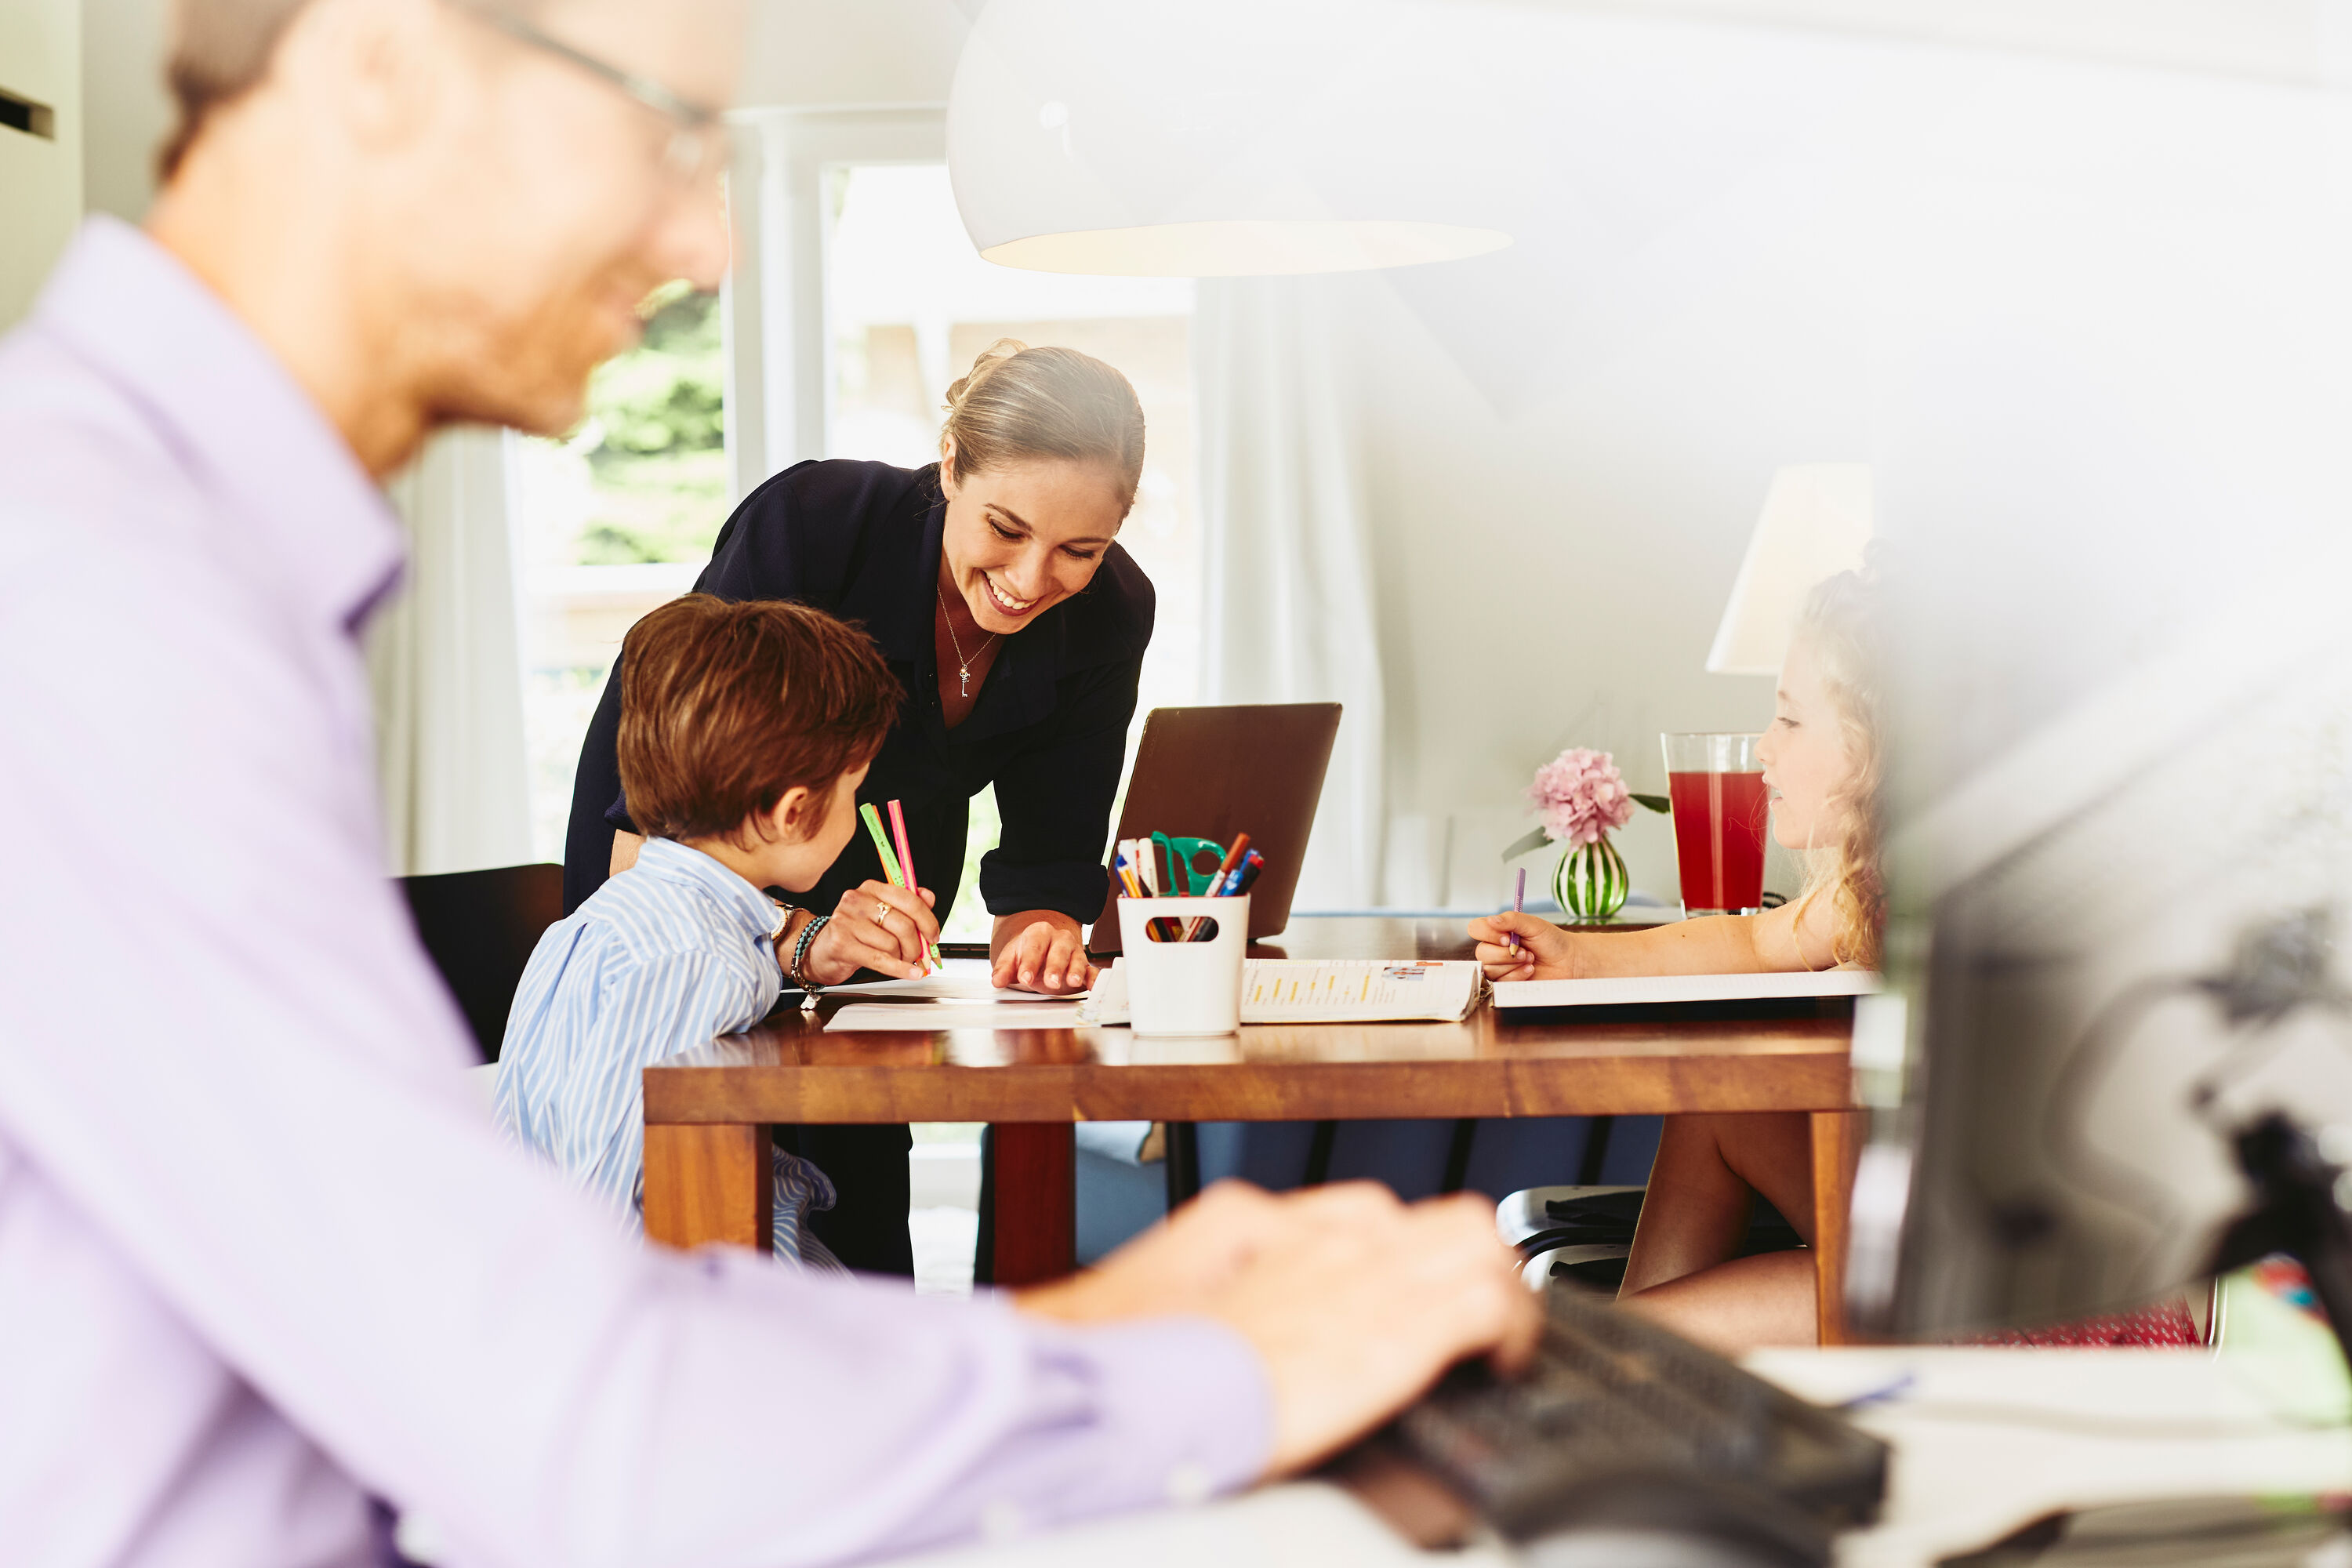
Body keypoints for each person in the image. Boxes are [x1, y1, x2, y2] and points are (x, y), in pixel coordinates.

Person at [0, 1, 1539, 1562]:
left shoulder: (172, 561)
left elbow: (450, 1350)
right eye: (664, 125)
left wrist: (1093, 1322)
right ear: (379, 61)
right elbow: (562, 1399)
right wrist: (1193, 1360)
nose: (710, 240)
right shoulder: (93, 598)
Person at [564, 341, 1156, 1271]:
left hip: (883, 869)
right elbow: (678, 809)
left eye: (1080, 549)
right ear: (950, 465)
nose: (1034, 578)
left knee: (864, 1177)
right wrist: (796, 934)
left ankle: (883, 1369)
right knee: (697, 1141)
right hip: (689, 847)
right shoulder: (817, 524)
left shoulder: (1111, 612)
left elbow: (1050, 852)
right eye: (1005, 527)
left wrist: (1040, 932)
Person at [1472, 570, 1886, 1351]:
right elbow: (1752, 939)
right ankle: (1621, 1370)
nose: (1764, 748)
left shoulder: (1940, 909)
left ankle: (1608, 1363)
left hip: (2002, 1309)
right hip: (1905, 1252)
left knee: (1570, 1350)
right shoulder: (1866, 892)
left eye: (1790, 721)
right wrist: (1578, 954)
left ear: (1874, 750)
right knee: (1723, 1101)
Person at [498, 595, 906, 1268]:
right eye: (853, 792)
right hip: (675, 1304)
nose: (856, 812)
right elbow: (610, 1191)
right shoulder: (689, 960)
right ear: (791, 812)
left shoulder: (637, 914)